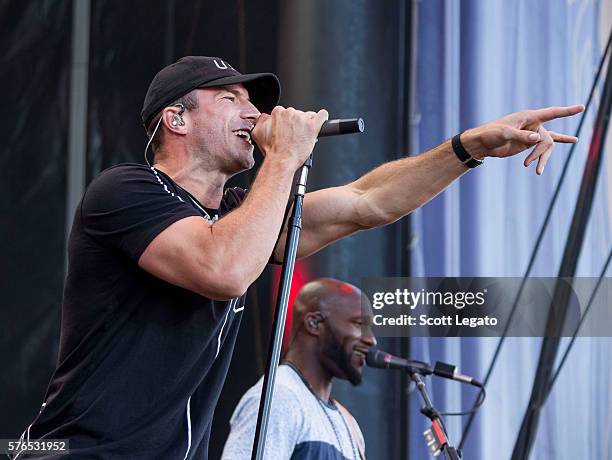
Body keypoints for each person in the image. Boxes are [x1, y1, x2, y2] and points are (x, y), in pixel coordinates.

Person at [17, 55, 582, 459]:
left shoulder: (241, 217)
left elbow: (369, 200)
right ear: (177, 119)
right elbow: (225, 270)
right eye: (230, 99)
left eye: (254, 101)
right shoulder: (125, 190)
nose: (254, 112)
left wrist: (471, 146)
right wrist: (285, 158)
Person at [222, 278, 375, 460]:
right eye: (359, 324)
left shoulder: (348, 423)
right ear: (314, 323)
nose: (371, 340)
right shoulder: (280, 398)